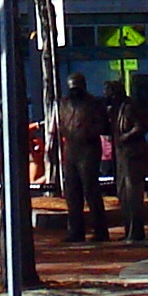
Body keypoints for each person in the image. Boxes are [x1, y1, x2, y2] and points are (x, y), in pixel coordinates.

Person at [50, 74, 107, 243]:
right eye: (72, 87)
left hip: (89, 148)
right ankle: (75, 230)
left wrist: (87, 132)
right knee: (72, 191)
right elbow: (60, 123)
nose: (74, 91)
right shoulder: (63, 103)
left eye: (77, 87)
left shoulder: (94, 103)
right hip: (71, 148)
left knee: (91, 189)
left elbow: (103, 125)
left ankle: (100, 230)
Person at [108, 84, 148, 245]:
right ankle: (129, 230)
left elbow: (141, 126)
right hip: (121, 155)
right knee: (123, 194)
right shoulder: (115, 110)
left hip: (133, 154)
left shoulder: (130, 107)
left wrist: (126, 137)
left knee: (133, 193)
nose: (108, 97)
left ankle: (136, 231)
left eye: (110, 93)